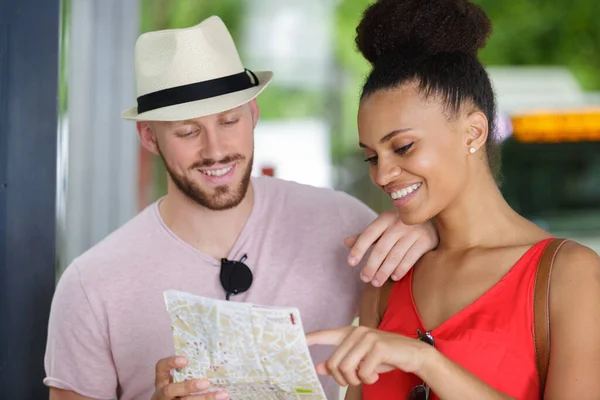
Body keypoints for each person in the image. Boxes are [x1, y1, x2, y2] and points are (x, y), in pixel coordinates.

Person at [44, 16, 439, 400]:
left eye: (229, 121)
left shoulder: (341, 222)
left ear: (253, 114)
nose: (215, 150)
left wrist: (429, 229)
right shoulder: (91, 284)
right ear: (149, 137)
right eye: (188, 131)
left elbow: (457, 286)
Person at [306, 0, 600, 399]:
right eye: (372, 156)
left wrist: (426, 361)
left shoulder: (570, 275)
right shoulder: (388, 278)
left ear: (474, 132)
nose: (382, 174)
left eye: (403, 147)